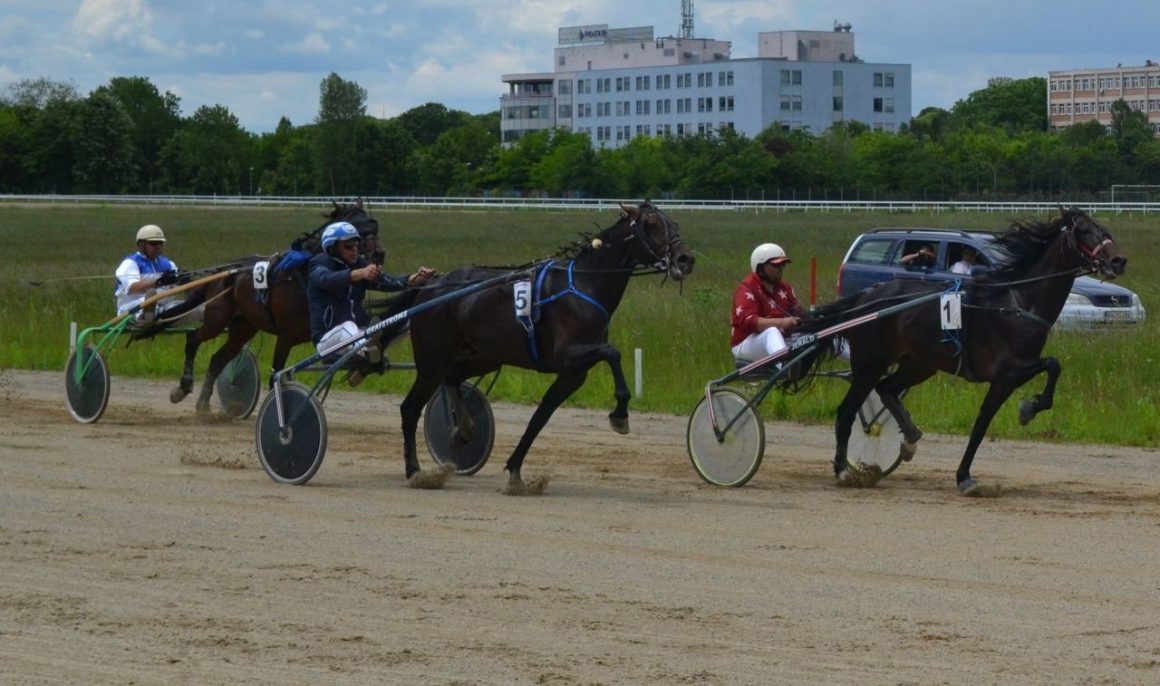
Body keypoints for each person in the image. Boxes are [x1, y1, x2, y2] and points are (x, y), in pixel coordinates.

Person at [307, 221, 436, 386]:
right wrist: (360, 273)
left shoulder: (359, 264)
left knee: (407, 321)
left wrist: (412, 279)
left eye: (356, 245)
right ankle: (370, 351)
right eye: (348, 246)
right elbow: (326, 279)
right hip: (328, 340)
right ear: (333, 248)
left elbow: (385, 281)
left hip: (357, 335)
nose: (354, 250)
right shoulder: (318, 263)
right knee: (348, 326)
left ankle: (370, 356)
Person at [730, 243, 803, 366]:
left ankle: (848, 362)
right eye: (775, 265)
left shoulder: (785, 288)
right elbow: (749, 322)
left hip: (780, 340)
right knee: (771, 332)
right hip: (746, 343)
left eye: (783, 264)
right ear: (760, 267)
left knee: (816, 333)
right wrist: (782, 323)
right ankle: (785, 367)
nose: (780, 268)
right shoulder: (746, 289)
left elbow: (796, 312)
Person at [114, 224, 198, 324]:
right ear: (141, 245)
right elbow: (133, 287)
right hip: (132, 308)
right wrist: (159, 281)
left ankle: (153, 315)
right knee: (151, 301)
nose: (158, 246)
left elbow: (182, 286)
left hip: (164, 305)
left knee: (190, 308)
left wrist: (186, 281)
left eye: (160, 243)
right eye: (153, 243)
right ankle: (147, 315)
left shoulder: (168, 264)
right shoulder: (130, 263)